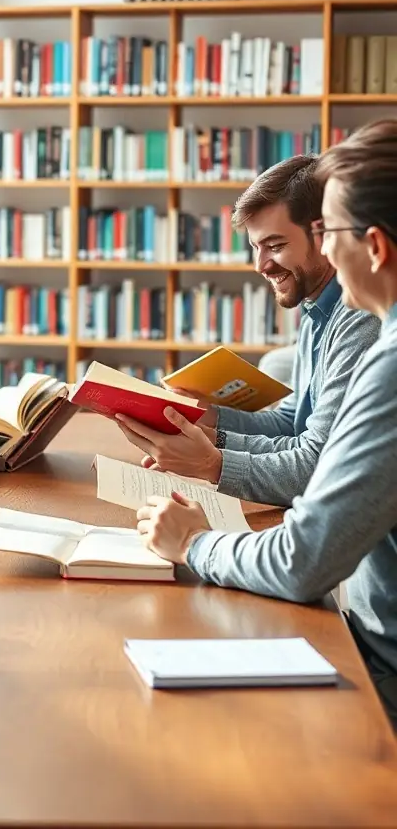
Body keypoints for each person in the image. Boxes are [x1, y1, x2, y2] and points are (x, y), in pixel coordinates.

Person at [135, 119, 397, 726]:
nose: (327, 251)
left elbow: (305, 557)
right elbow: (302, 428)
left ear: (376, 247)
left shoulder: (385, 357)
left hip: (381, 662)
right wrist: (209, 425)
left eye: (329, 233)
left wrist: (193, 543)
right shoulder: (344, 324)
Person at [115, 155, 380, 505]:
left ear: (324, 236)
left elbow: (320, 464)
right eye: (256, 247)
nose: (261, 266)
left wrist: (211, 463)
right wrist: (210, 423)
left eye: (276, 246)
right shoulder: (317, 305)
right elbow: (294, 424)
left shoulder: (362, 318)